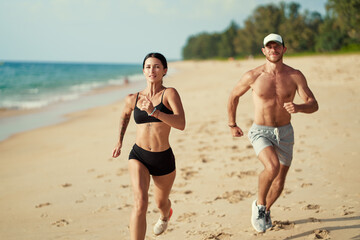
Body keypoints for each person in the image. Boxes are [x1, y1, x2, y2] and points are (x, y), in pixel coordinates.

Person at [227, 33, 318, 233]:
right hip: (261, 131)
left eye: (277, 47)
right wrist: (232, 124)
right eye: (269, 47)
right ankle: (259, 205)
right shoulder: (253, 75)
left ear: (284, 49)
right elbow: (234, 96)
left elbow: (314, 104)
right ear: (263, 51)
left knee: (279, 181)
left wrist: (299, 107)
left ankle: (266, 210)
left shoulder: (295, 75)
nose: (273, 50)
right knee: (272, 167)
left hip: (285, 132)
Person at [112, 52, 185, 239]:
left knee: (161, 202)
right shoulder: (133, 98)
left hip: (163, 158)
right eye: (148, 66)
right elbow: (125, 116)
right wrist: (119, 141)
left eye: (157, 66)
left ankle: (164, 215)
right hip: (139, 155)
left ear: (165, 71)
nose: (152, 70)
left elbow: (181, 123)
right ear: (143, 71)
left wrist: (154, 112)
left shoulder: (170, 94)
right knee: (140, 202)